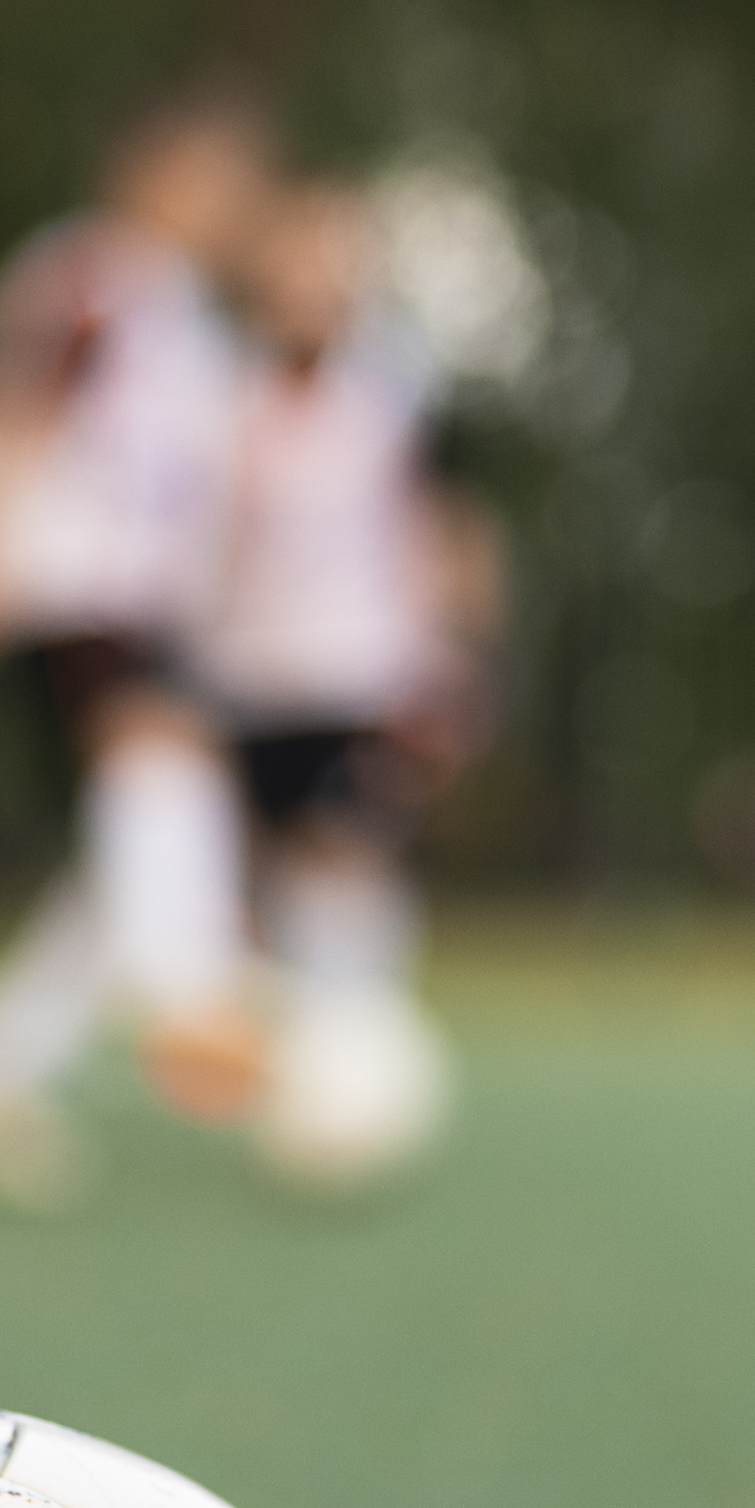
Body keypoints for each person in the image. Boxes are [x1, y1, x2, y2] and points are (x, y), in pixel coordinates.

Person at [0, 86, 275, 1208]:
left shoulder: (197, 324)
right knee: (159, 759)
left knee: (123, 845)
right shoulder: (88, 279)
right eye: (220, 175)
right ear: (152, 172)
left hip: (147, 608)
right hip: (63, 587)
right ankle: (194, 998)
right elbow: (9, 406)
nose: (238, 201)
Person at [196, 177, 498, 1190]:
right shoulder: (221, 399)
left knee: (348, 868)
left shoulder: (394, 397)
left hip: (364, 678)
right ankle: (300, 1085)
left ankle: (363, 1074)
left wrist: (457, 665)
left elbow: (447, 532)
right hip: (244, 682)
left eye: (331, 263)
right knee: (257, 897)